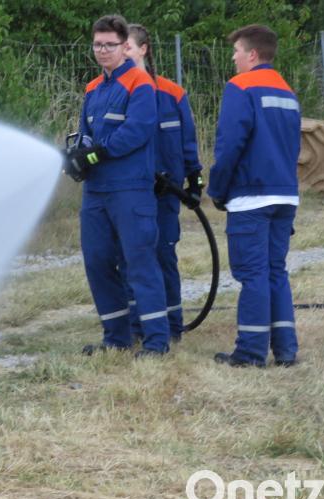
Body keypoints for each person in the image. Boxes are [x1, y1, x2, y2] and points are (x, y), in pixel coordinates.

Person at [64, 14, 170, 356]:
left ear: (125, 46)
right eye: (97, 44)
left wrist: (97, 153)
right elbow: (85, 132)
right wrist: (77, 154)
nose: (102, 51)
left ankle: (156, 342)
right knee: (96, 261)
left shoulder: (141, 83)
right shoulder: (93, 88)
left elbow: (138, 131)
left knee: (139, 263)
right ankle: (117, 339)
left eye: (109, 45)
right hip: (96, 192)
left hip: (129, 190)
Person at [207, 24, 301, 368]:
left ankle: (249, 353)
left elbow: (230, 144)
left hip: (251, 196)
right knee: (275, 270)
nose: (233, 58)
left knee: (253, 274)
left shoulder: (240, 87)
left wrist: (217, 188)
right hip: (285, 195)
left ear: (252, 54)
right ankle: (286, 349)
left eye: (236, 52)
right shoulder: (287, 91)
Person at [119, 23, 204, 343]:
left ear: (143, 50)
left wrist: (194, 181)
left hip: (166, 192)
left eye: (127, 46)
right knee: (130, 257)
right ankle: (138, 325)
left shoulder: (173, 93)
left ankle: (171, 325)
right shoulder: (117, 92)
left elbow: (187, 142)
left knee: (164, 256)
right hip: (129, 192)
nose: (122, 52)